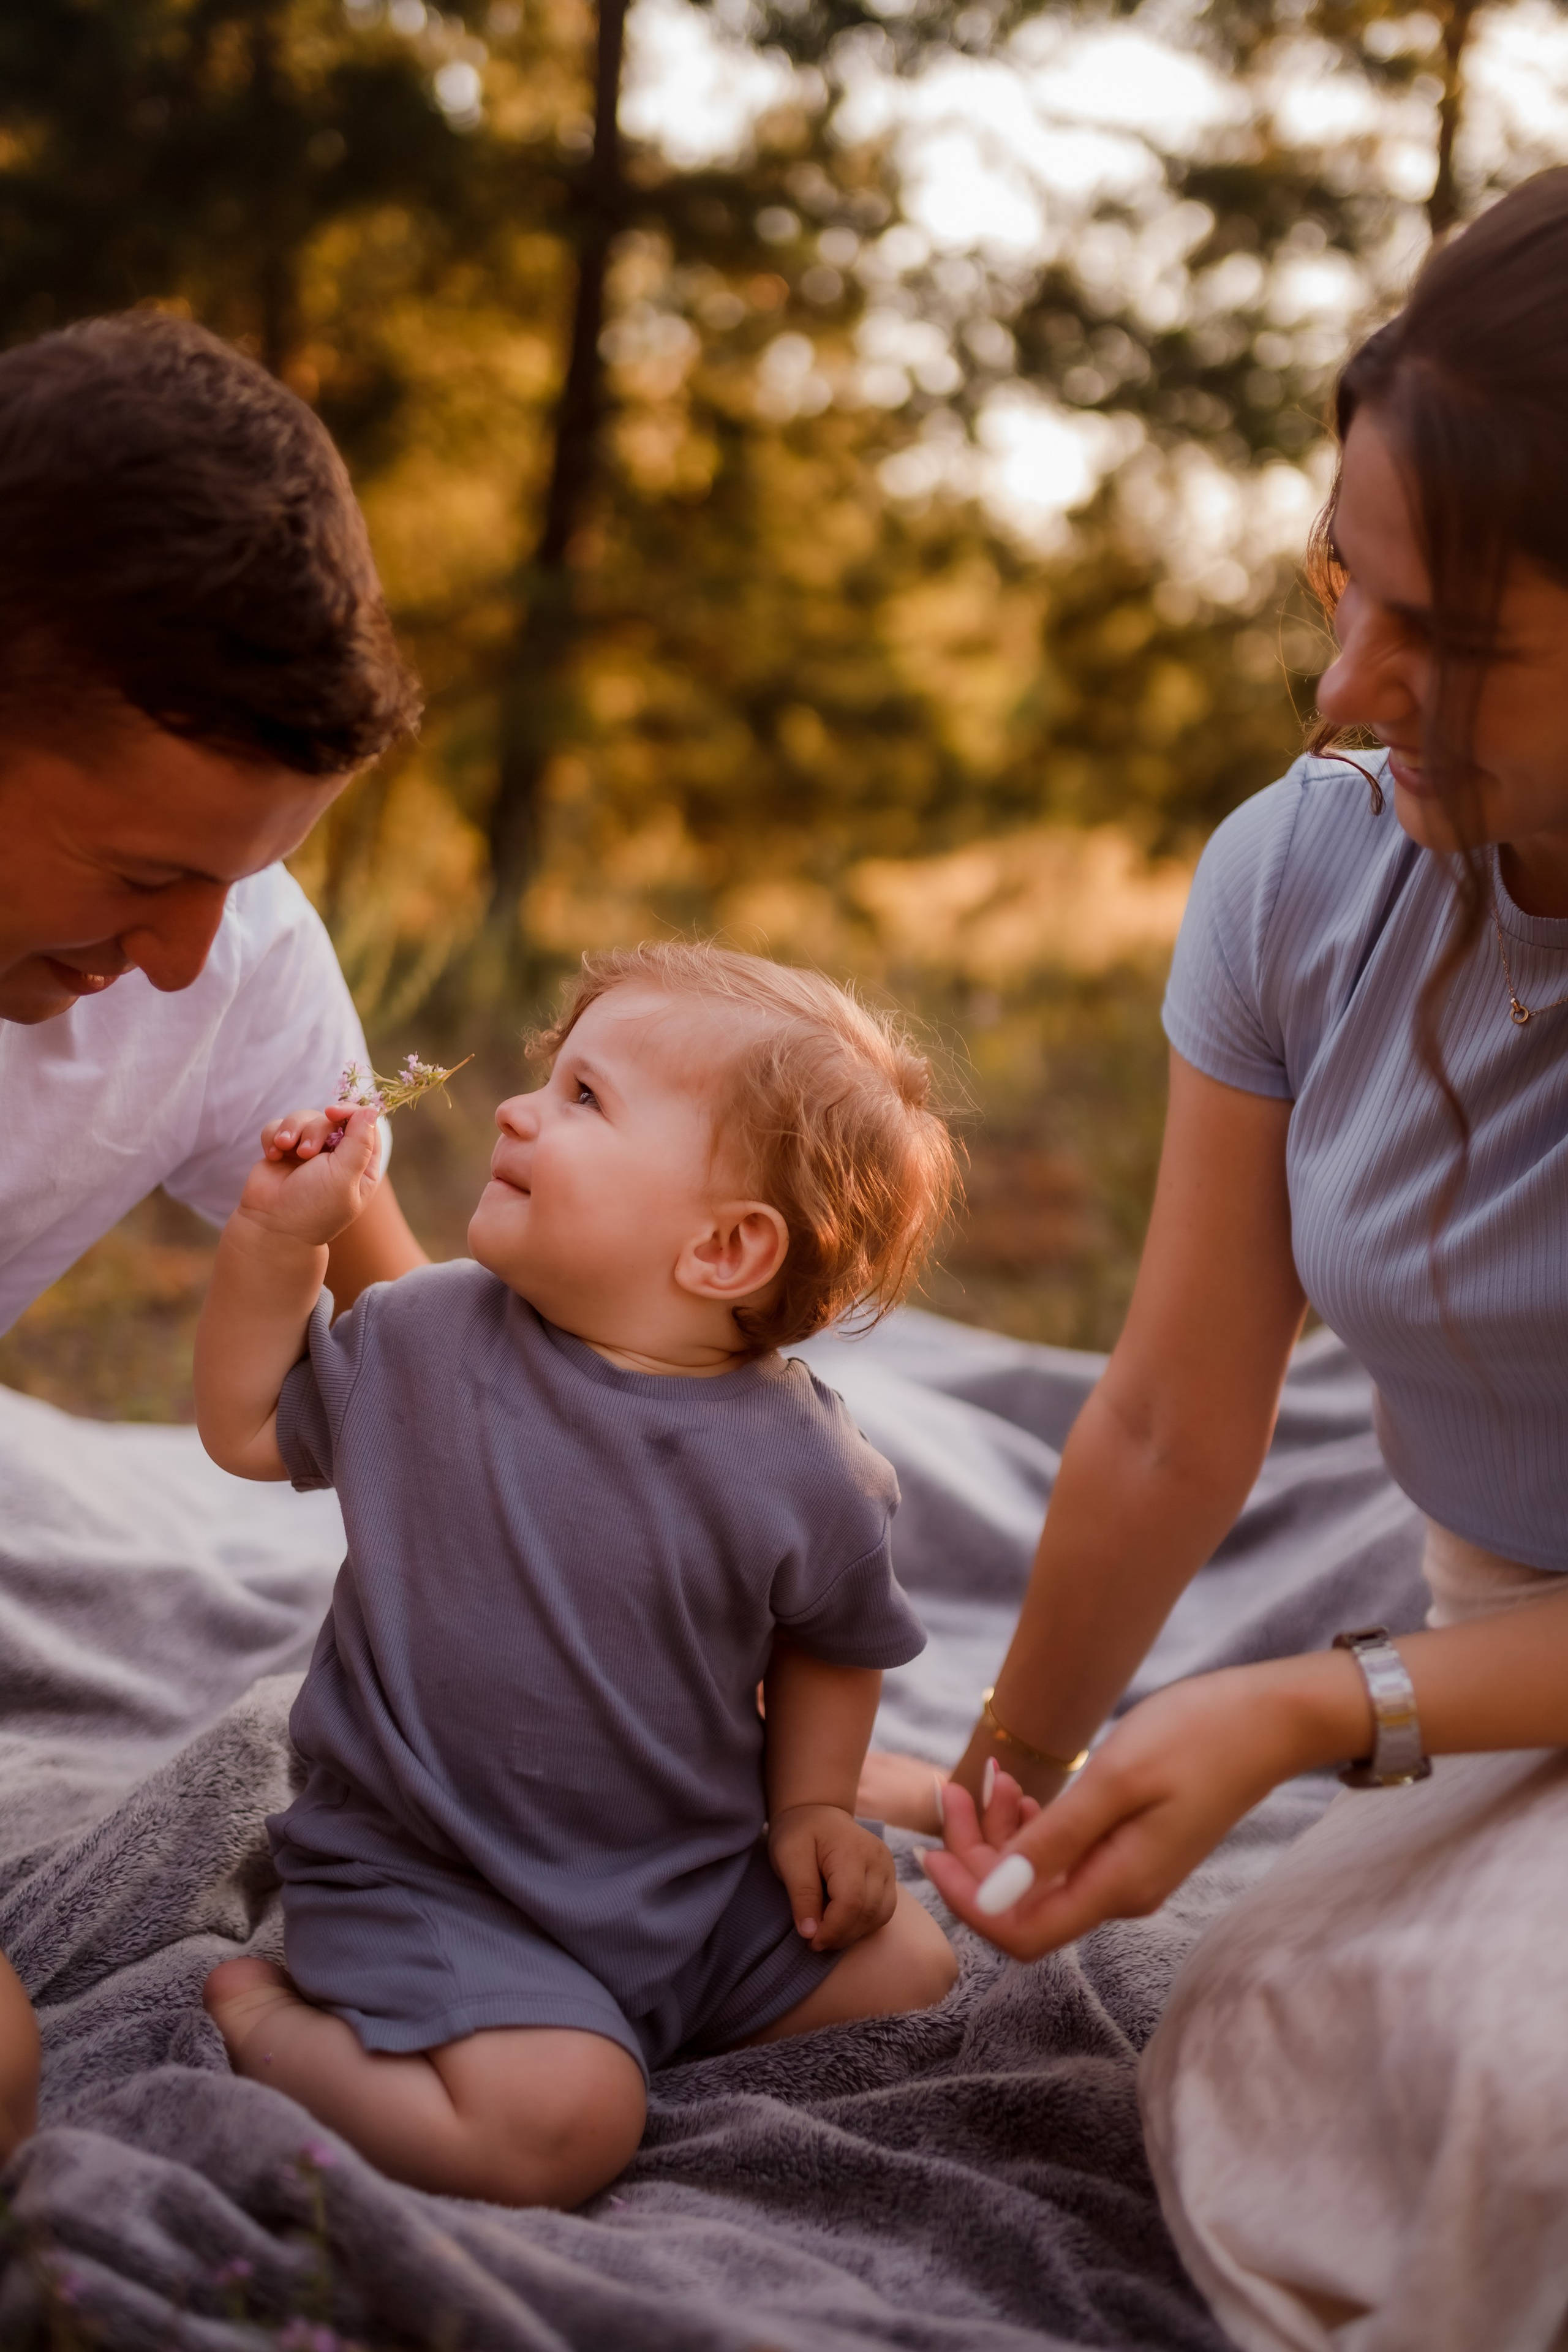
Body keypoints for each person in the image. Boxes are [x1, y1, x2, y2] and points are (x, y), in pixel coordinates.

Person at [876, 171, 1568, 2347]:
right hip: (1496, 1665)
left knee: (1511, 2117)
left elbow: (1314, 1696)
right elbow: (1176, 1417)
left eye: (1446, 644)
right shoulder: (1302, 875)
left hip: (1438, 1692)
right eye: (1335, 588)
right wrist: (1007, 1793)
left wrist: (1309, 1707)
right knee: (1276, 2059)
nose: (1348, 693)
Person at [198, 945, 960, 2208]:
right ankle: (275, 2027)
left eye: (584, 1100)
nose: (516, 1108)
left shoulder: (808, 1464)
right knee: (562, 2130)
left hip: (681, 1870)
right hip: (435, 1869)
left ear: (723, 1249)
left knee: (910, 1966)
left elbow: (833, 1638)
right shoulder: (422, 1338)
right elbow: (239, 1430)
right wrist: (280, 1238)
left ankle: (588, 2017)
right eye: (553, 1080)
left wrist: (810, 1811)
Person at [0, 312, 428, 2157]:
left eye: (243, 877)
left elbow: (429, 1364)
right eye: (144, 874)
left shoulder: (231, 959)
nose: (184, 956)